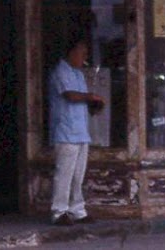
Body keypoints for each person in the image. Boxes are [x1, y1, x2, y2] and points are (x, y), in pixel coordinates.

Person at [47, 37, 104, 226]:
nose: (85, 57)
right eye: (82, 53)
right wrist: (90, 96)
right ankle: (59, 211)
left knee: (78, 174)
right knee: (64, 173)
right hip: (65, 131)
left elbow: (81, 100)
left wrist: (94, 104)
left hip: (80, 131)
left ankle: (77, 210)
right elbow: (70, 95)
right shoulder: (60, 72)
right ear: (71, 53)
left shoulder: (79, 74)